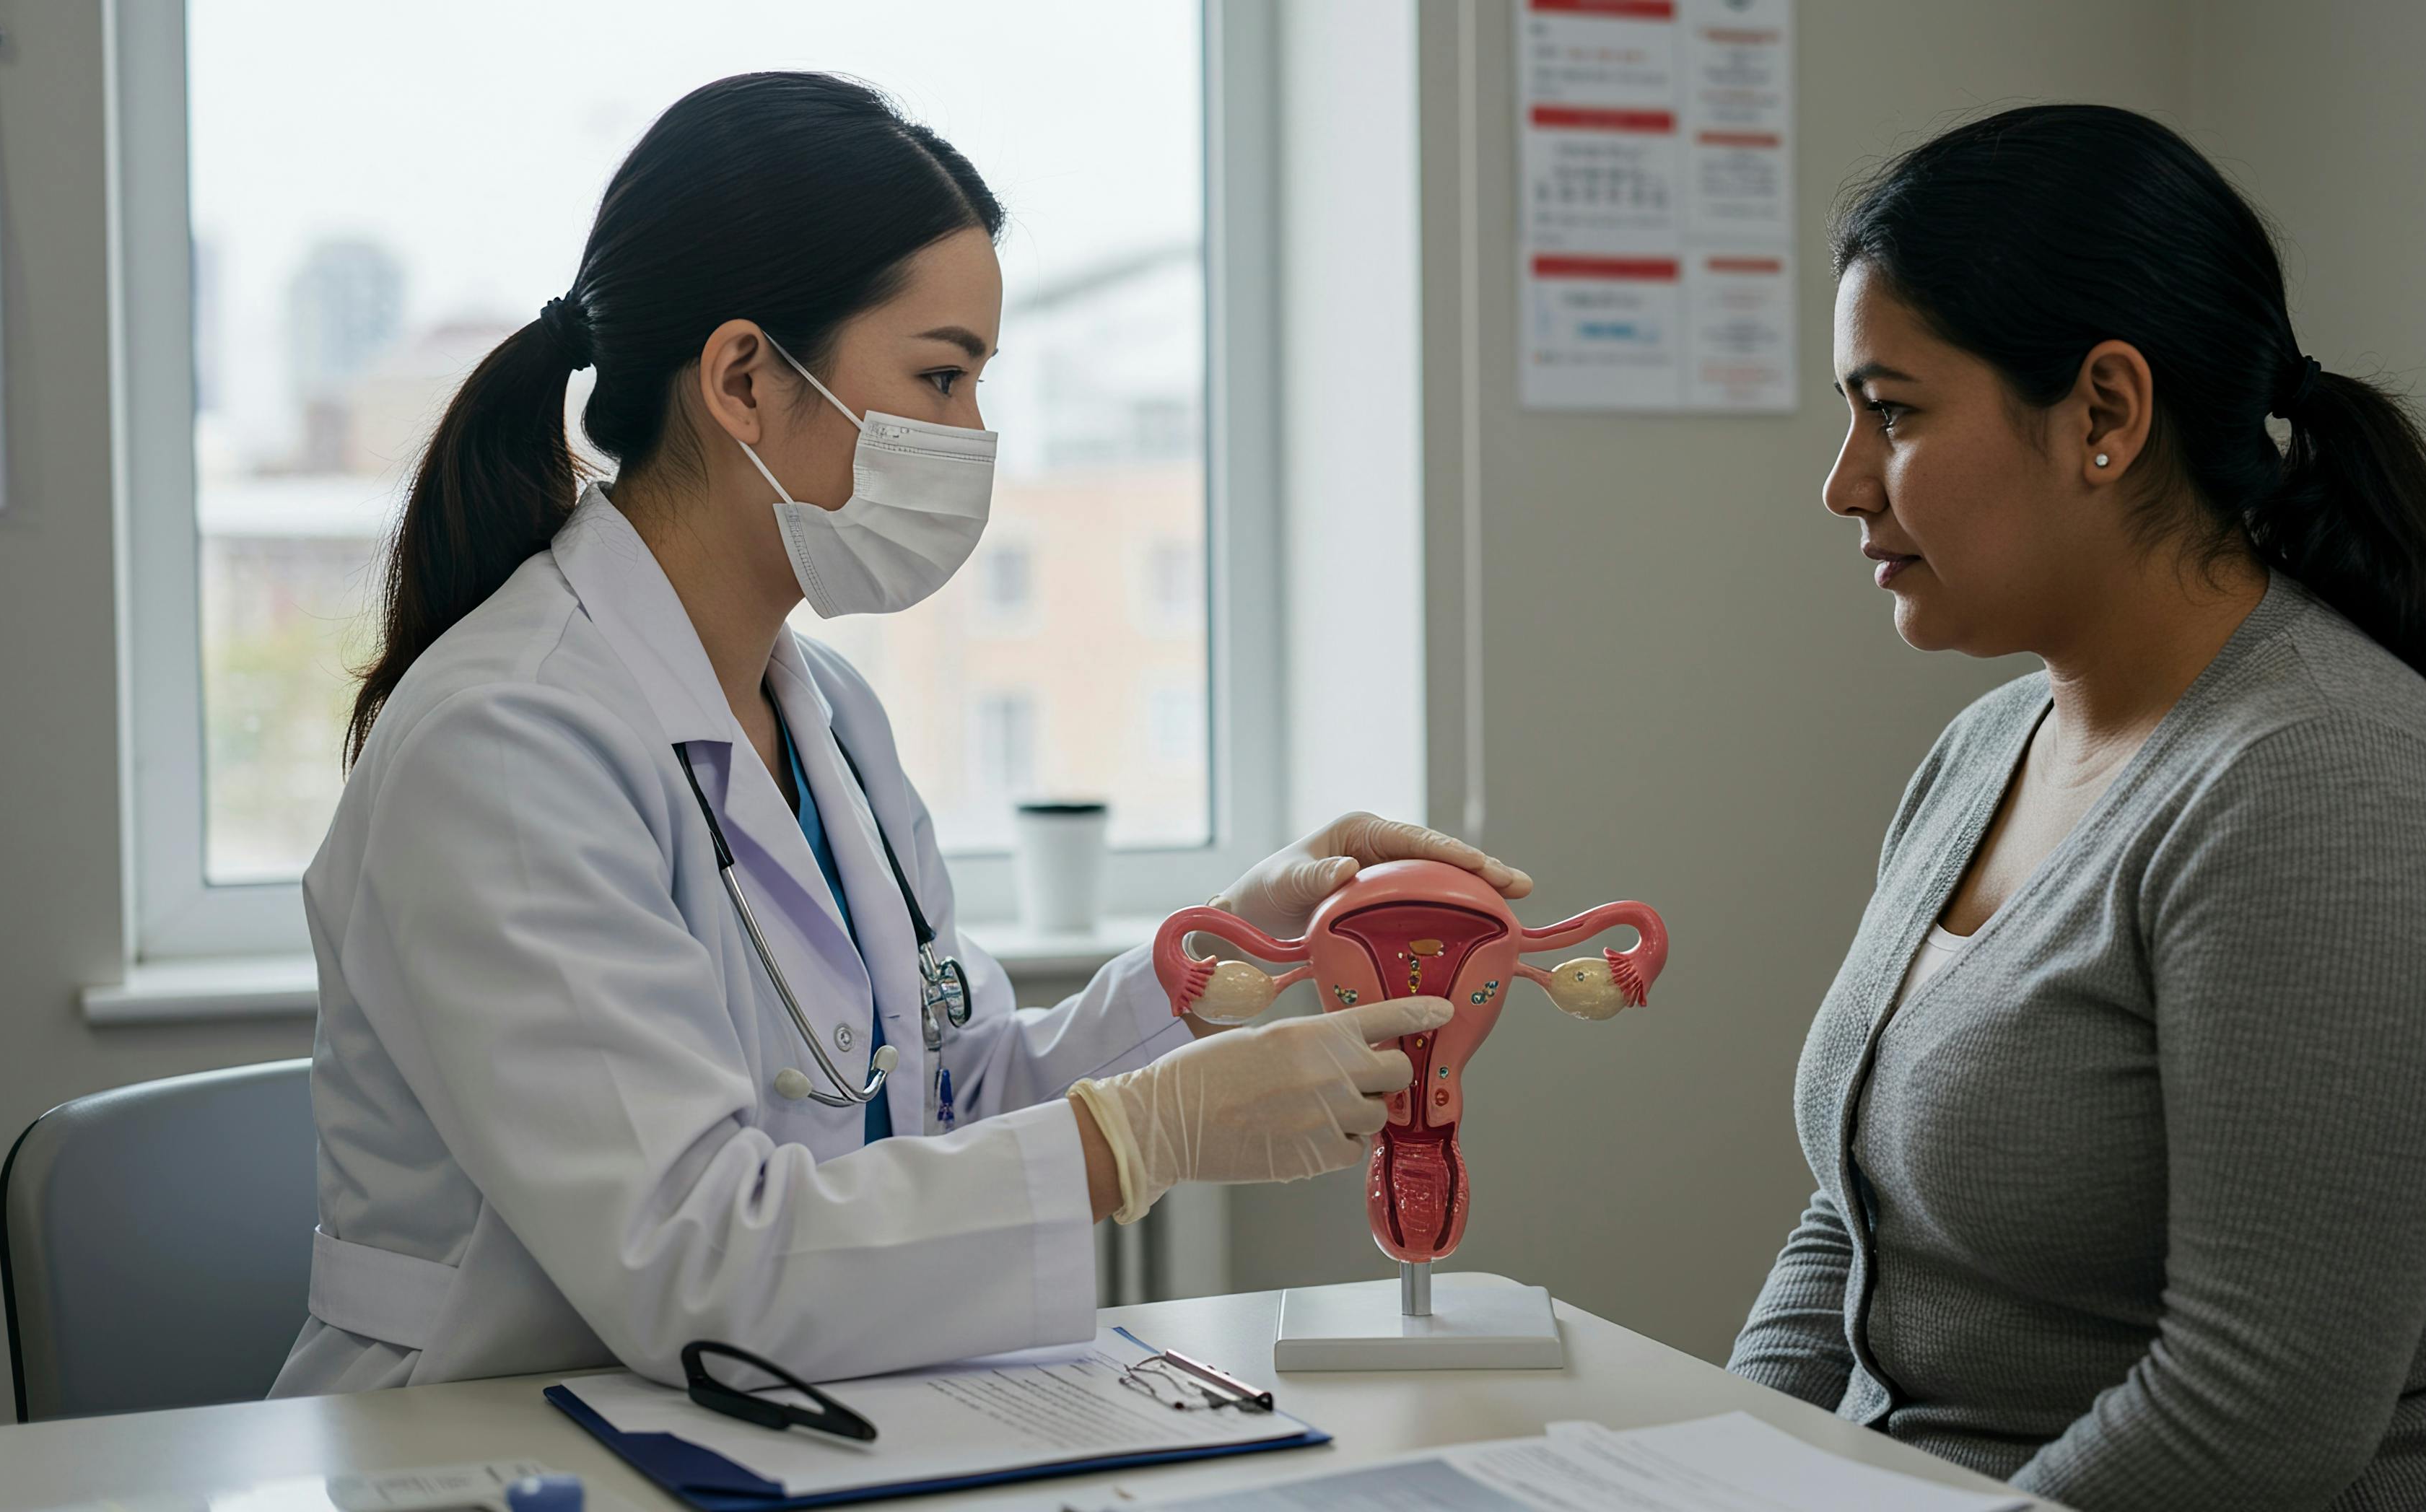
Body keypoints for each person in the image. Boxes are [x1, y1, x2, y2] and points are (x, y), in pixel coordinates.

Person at [270, 72, 1525, 1395]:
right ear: (744, 379)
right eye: (941, 375)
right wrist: (1135, 1139)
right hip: (495, 1433)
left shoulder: (828, 718)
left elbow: (947, 1100)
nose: (973, 436)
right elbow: (693, 1263)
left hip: (776, 1414)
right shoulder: (507, 743)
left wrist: (1223, 957)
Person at [1727, 105, 2426, 1511]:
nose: (1844, 483)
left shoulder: (2330, 789)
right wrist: (1716, 1475)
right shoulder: (1984, 752)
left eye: (1893, 411)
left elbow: (2255, 1418)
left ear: (2106, 415)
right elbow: (1855, 1224)